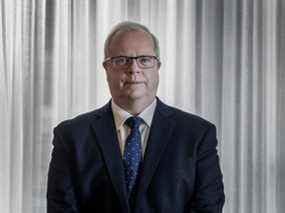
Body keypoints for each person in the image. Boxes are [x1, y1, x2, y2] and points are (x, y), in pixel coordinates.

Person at [47, 21, 225, 213]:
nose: (133, 69)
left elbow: (207, 208)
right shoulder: (71, 136)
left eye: (145, 60)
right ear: (106, 68)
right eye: (121, 60)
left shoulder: (197, 135)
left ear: (158, 67)